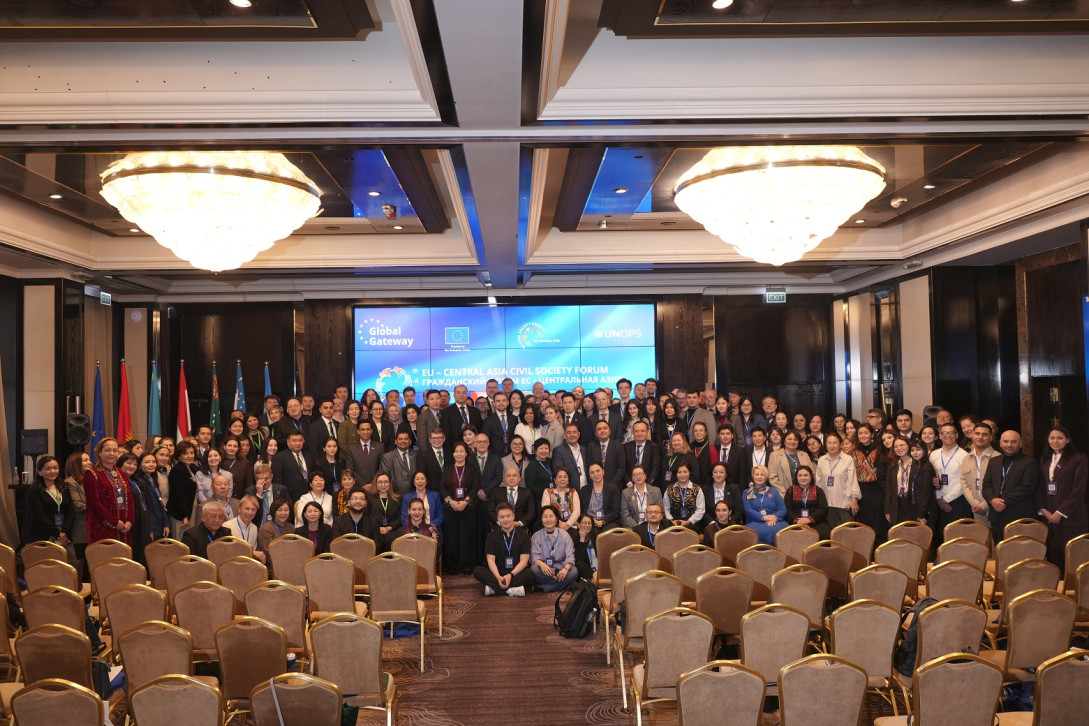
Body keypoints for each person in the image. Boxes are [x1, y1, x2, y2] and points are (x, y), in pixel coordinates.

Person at [1036, 426, 1088, 569]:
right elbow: (1039, 488)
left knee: (1074, 559)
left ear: (1068, 440)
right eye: (1052, 438)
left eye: (1060, 438)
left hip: (1072, 518)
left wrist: (1061, 512)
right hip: (1050, 518)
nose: (1055, 441)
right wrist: (1043, 509)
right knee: (1054, 558)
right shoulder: (1045, 460)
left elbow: (1079, 489)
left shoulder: (1078, 459)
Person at [981, 430, 1040, 544]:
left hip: (1019, 515)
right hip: (996, 516)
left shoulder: (1029, 462)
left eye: (1013, 442)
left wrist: (1002, 502)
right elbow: (986, 485)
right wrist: (992, 500)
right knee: (1000, 552)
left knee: (1019, 552)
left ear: (1020, 444)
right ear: (1000, 443)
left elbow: (1027, 487)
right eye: (1006, 441)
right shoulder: (994, 461)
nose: (1009, 445)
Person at [475, 502, 534, 596]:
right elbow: (490, 561)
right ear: (498, 518)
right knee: (477, 571)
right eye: (502, 517)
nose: (505, 519)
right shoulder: (491, 536)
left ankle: (494, 589)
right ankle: (512, 590)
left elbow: (524, 561)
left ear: (513, 516)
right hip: (497, 572)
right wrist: (498, 577)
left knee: (530, 574)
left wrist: (510, 575)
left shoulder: (524, 536)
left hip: (515, 573)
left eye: (508, 516)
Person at [84, 437, 136, 545]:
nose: (112, 453)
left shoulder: (121, 472)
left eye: (115, 450)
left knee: (123, 560)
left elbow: (129, 498)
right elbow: (94, 503)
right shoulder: (92, 474)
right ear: (99, 453)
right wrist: (115, 522)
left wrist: (130, 520)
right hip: (102, 527)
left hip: (124, 527)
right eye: (107, 450)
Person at [440, 441, 480, 574]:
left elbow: (475, 487)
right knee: (452, 537)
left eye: (461, 451)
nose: (459, 453)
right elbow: (442, 487)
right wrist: (450, 501)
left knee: (467, 537)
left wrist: (466, 501)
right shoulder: (447, 468)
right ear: (452, 453)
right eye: (456, 451)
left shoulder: (472, 469)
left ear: (466, 453)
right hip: (450, 509)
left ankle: (466, 566)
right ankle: (453, 566)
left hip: (467, 508)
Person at [930, 422, 972, 541]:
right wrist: (939, 498)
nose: (948, 435)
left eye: (951, 433)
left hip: (958, 502)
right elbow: (932, 478)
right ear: (940, 435)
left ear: (957, 435)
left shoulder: (964, 455)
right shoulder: (934, 455)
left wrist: (946, 500)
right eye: (945, 433)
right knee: (940, 537)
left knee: (958, 538)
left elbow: (965, 482)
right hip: (938, 501)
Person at [23, 455, 74, 548]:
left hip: (63, 536)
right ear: (39, 472)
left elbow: (70, 511)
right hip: (41, 536)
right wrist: (57, 534)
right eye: (48, 469)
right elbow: (39, 516)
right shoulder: (34, 490)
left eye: (55, 468)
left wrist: (65, 532)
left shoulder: (64, 487)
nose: (53, 471)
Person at [885, 437, 935, 529]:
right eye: (895, 446)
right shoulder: (893, 465)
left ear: (908, 445)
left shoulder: (919, 464)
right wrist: (887, 510)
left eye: (901, 445)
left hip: (914, 506)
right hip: (898, 506)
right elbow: (889, 489)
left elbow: (926, 491)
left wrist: (922, 513)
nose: (899, 448)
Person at [815, 432, 860, 528]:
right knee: (830, 533)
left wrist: (854, 499)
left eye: (835, 443)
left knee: (845, 534)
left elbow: (853, 481)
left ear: (840, 444)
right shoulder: (822, 460)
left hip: (844, 503)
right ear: (825, 444)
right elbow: (818, 482)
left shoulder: (848, 459)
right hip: (827, 504)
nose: (832, 446)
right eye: (829, 443)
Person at [960, 422, 1000, 529]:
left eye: (985, 434)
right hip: (976, 509)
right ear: (972, 435)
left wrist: (984, 506)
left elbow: (1000, 486)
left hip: (994, 508)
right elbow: (964, 483)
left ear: (991, 437)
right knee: (982, 542)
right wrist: (975, 504)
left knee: (997, 542)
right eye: (977, 433)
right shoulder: (966, 458)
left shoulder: (998, 458)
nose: (980, 437)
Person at [530, 505, 578, 593]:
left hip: (561, 569)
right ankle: (562, 585)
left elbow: (570, 556)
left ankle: (545, 588)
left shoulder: (565, 535)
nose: (548, 519)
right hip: (545, 571)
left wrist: (565, 569)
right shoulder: (536, 536)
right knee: (534, 569)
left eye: (551, 516)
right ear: (541, 519)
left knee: (574, 571)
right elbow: (534, 556)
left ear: (556, 519)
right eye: (545, 517)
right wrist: (542, 564)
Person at [742, 465, 788, 545]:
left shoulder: (774, 492)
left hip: (775, 522)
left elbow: (783, 509)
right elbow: (748, 510)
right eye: (757, 474)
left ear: (766, 477)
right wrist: (764, 517)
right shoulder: (749, 492)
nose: (759, 477)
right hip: (755, 522)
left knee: (783, 531)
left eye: (762, 474)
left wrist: (775, 517)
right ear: (753, 476)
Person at [63, 451, 92, 574]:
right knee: (82, 565)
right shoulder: (70, 482)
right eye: (85, 460)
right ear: (75, 464)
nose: (89, 462)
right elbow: (77, 505)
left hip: (92, 527)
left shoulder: (91, 480)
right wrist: (98, 508)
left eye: (89, 459)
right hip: (80, 530)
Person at [131, 452, 171, 542]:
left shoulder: (152, 479)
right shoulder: (139, 482)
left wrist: (166, 523)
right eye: (147, 462)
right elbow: (146, 508)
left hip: (159, 522)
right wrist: (150, 528)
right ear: (140, 466)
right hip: (150, 525)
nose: (151, 464)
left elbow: (160, 504)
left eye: (153, 462)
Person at [783, 464, 830, 538]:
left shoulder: (818, 490)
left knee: (824, 533)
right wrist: (798, 521)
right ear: (796, 477)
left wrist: (809, 519)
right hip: (796, 521)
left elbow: (823, 508)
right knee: (793, 534)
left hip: (816, 520)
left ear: (811, 476)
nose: (803, 478)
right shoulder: (790, 491)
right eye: (800, 475)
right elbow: (787, 509)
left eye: (806, 475)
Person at [768, 430, 813, 497]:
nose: (792, 441)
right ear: (784, 441)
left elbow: (812, 473)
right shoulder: (775, 455)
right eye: (789, 439)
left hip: (804, 494)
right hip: (784, 494)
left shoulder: (804, 455)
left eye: (795, 439)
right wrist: (784, 492)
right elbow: (772, 477)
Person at [579, 461, 621, 531]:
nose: (595, 474)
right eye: (592, 472)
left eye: (598, 471)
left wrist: (602, 521)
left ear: (603, 471)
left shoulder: (613, 488)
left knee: (609, 533)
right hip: (589, 522)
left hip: (608, 522)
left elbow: (616, 512)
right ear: (589, 475)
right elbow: (582, 511)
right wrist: (592, 520)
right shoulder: (584, 490)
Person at [663, 463, 704, 530]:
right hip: (673, 525)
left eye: (685, 472)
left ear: (689, 473)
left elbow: (700, 510)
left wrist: (688, 521)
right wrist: (671, 521)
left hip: (692, 525)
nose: (682, 475)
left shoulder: (697, 489)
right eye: (679, 472)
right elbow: (665, 508)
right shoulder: (669, 489)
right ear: (676, 474)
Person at [271, 431, 310, 501]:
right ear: (288, 442)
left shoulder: (309, 456)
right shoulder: (279, 457)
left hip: (309, 496)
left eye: (300, 440)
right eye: (294, 441)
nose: (297, 443)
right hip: (290, 498)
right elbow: (277, 481)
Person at [368, 472, 402, 552]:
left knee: (392, 540)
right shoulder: (369, 499)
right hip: (375, 530)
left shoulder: (398, 499)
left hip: (392, 530)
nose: (383, 485)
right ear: (376, 483)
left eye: (386, 482)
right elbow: (367, 516)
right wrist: (378, 528)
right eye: (380, 482)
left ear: (390, 483)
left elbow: (400, 517)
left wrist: (390, 527)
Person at [224, 495, 265, 562]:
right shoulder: (227, 526)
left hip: (248, 566)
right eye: (247, 509)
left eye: (253, 510)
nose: (250, 513)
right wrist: (252, 553)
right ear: (239, 509)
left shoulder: (254, 528)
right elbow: (228, 553)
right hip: (232, 565)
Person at [702, 462, 743, 526]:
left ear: (726, 475)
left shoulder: (734, 488)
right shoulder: (706, 489)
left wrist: (728, 522)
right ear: (712, 474)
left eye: (721, 472)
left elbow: (739, 510)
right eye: (715, 472)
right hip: (711, 525)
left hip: (731, 524)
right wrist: (713, 523)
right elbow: (703, 510)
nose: (718, 475)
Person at [623, 421, 661, 490]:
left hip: (649, 486)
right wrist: (629, 483)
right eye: (636, 431)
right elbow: (623, 467)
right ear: (633, 432)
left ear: (647, 432)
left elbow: (655, 468)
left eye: (642, 431)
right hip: (630, 486)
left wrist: (647, 485)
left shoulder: (654, 447)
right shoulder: (626, 447)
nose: (639, 434)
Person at [541, 466, 580, 531]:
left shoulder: (573, 492)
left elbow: (577, 511)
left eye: (565, 477)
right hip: (553, 526)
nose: (562, 479)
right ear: (555, 480)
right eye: (559, 477)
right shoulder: (548, 492)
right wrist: (559, 523)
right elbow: (546, 511)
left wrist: (567, 524)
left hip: (571, 526)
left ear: (568, 480)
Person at [380, 430, 418, 496]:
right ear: (396, 442)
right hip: (396, 495)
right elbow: (385, 477)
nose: (403, 441)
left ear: (410, 441)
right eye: (400, 439)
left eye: (406, 439)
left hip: (415, 494)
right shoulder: (387, 457)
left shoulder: (417, 455)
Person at [257, 498, 293, 563]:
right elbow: (268, 552)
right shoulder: (266, 529)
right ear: (274, 511)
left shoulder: (291, 528)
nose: (283, 513)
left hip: (289, 563)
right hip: (271, 566)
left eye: (286, 510)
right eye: (280, 510)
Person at [570, 514, 598, 580]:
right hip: (588, 570)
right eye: (584, 523)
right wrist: (582, 540)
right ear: (579, 525)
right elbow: (579, 559)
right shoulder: (575, 538)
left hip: (599, 567)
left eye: (589, 523)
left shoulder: (596, 536)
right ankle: (594, 580)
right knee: (579, 564)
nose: (587, 525)